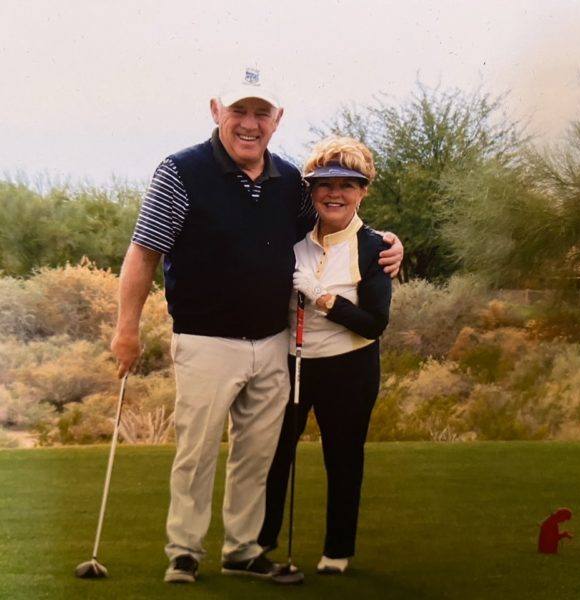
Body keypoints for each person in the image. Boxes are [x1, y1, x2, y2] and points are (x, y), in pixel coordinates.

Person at [110, 67, 404, 584]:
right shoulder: (181, 171)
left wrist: (388, 243)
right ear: (216, 111)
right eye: (238, 111)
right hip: (205, 339)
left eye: (261, 113)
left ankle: (243, 550)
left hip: (273, 342)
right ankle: (184, 550)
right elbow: (144, 251)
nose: (249, 123)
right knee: (196, 452)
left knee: (258, 454)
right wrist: (126, 329)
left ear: (277, 120)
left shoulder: (290, 179)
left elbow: (329, 224)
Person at [259, 137, 392, 575]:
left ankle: (337, 550)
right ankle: (259, 544)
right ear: (311, 191)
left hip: (350, 366)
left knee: (343, 456)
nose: (334, 193)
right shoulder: (292, 238)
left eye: (347, 185)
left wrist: (320, 297)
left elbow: (374, 323)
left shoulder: (375, 247)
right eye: (324, 184)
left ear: (363, 191)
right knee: (274, 454)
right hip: (292, 361)